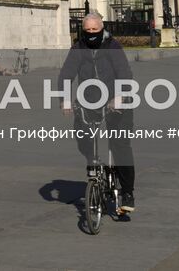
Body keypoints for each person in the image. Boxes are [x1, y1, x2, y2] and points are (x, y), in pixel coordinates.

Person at [58, 14, 136, 216]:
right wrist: (65, 99)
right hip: (90, 101)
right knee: (83, 138)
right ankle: (94, 163)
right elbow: (66, 74)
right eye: (88, 30)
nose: (91, 34)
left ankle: (127, 193)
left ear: (102, 29)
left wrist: (119, 97)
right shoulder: (78, 49)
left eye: (95, 30)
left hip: (117, 101)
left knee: (120, 145)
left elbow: (125, 74)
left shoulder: (113, 47)